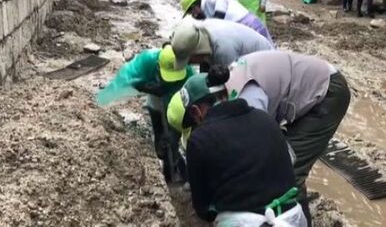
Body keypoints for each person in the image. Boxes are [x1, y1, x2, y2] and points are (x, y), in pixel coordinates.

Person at [176, 68, 307, 226]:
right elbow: (289, 165)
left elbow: (203, 208)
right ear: (226, 94)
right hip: (292, 219)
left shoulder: (199, 139)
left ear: (195, 111)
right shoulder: (265, 118)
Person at [96, 45, 195, 182]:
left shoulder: (188, 71)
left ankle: (175, 171)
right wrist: (142, 86)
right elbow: (126, 78)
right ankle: (166, 164)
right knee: (160, 144)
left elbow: (193, 99)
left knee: (171, 141)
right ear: (158, 66)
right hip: (156, 105)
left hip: (177, 108)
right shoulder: (147, 60)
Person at [170, 19, 274, 72]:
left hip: (265, 63)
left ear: (198, 51)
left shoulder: (223, 50)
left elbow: (232, 83)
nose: (190, 65)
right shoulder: (201, 32)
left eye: (190, 61)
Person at [180, 0, 273, 43]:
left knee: (267, 54)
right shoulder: (206, 9)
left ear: (194, 7)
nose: (193, 15)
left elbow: (220, 12)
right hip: (243, 28)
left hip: (249, 25)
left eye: (190, 13)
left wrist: (213, 23)